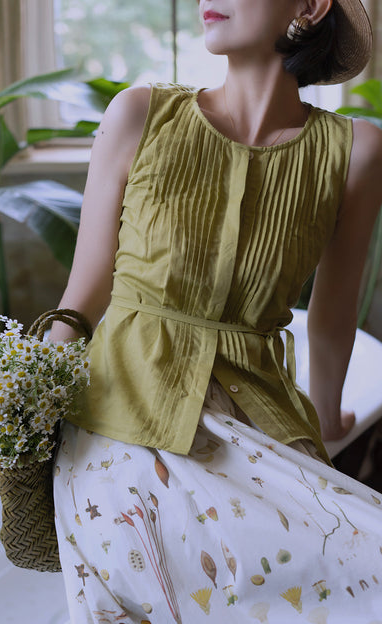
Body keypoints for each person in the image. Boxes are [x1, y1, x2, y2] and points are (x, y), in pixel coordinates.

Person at [51, 1, 382, 622]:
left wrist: (328, 415)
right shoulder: (139, 113)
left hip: (259, 415)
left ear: (309, 8)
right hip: (119, 418)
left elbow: (332, 316)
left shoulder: (356, 151)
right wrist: (27, 382)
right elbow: (85, 292)